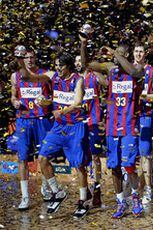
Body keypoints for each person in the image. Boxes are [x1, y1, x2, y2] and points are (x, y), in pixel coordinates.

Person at [22, 53, 91, 218]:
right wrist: (45, 102)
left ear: (69, 66)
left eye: (61, 65)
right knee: (43, 158)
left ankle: (83, 200)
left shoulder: (78, 80)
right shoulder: (54, 77)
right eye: (57, 65)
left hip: (76, 126)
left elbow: (77, 102)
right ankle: (57, 192)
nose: (58, 68)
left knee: (78, 164)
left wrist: (61, 111)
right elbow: (32, 78)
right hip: (59, 126)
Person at [87, 43, 145, 218]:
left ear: (126, 55)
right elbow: (87, 65)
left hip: (129, 125)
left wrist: (114, 53)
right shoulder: (111, 70)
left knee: (128, 165)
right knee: (114, 167)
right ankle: (121, 202)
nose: (114, 57)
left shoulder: (137, 69)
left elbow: (135, 72)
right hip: (112, 126)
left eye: (120, 54)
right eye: (114, 55)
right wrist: (83, 44)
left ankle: (135, 197)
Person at [11, 46, 53, 210]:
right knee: (22, 158)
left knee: (44, 155)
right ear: (21, 59)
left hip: (41, 119)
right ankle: (25, 197)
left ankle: (46, 190)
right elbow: (13, 95)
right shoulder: (15, 76)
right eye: (25, 57)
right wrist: (14, 101)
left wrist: (46, 101)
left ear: (35, 58)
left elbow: (52, 96)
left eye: (31, 57)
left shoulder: (44, 75)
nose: (29, 60)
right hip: (23, 119)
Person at [77, 35, 107, 207]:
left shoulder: (94, 76)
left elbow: (108, 84)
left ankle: (97, 191)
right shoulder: (75, 78)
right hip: (78, 122)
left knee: (95, 157)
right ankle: (85, 189)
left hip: (94, 121)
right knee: (80, 157)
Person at [133, 42, 153, 204]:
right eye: (136, 51)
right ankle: (134, 189)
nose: (138, 54)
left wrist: (150, 96)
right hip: (129, 117)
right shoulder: (127, 69)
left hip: (145, 116)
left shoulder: (152, 71)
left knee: (145, 154)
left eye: (141, 51)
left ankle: (148, 189)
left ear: (145, 53)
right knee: (129, 154)